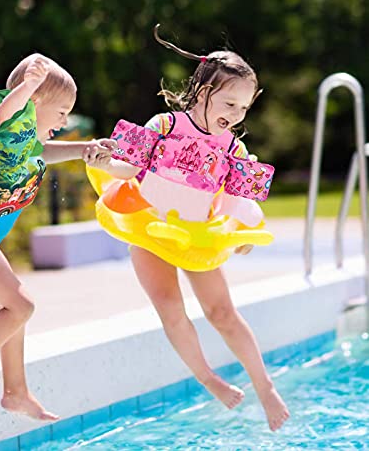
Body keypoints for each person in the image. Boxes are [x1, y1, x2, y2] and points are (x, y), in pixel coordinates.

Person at [93, 26, 290, 431]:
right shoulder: (164, 125)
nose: (236, 116)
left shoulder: (234, 148)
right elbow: (127, 168)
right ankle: (208, 378)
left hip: (197, 240)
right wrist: (102, 164)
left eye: (244, 109)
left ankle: (265, 386)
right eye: (230, 104)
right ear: (202, 93)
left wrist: (240, 234)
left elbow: (241, 203)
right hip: (148, 230)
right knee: (171, 311)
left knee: (222, 313)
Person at [0, 53, 115, 419]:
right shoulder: (4, 140)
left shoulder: (28, 148)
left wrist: (85, 150)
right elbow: (6, 112)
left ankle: (15, 391)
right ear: (34, 103)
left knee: (14, 313)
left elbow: (44, 152)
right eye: (62, 111)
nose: (66, 120)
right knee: (21, 307)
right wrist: (28, 86)